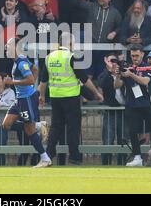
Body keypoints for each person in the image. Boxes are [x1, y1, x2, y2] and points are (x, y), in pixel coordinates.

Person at [39, 32, 104, 165]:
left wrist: (42, 96)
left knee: (56, 127)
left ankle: (49, 154)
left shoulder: (49, 57)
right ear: (70, 44)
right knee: (73, 128)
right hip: (71, 98)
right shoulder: (71, 57)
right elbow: (84, 78)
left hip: (55, 97)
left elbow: (43, 80)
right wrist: (96, 93)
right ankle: (74, 157)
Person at [3, 37, 52, 168]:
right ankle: (38, 125)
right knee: (6, 125)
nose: (5, 48)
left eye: (8, 46)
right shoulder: (20, 61)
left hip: (26, 99)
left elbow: (30, 79)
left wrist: (12, 82)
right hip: (19, 99)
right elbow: (35, 69)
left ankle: (45, 158)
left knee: (29, 131)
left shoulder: (20, 63)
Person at [114, 44, 151, 167]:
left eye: (137, 55)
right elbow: (117, 86)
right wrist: (118, 75)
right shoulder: (127, 67)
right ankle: (137, 157)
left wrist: (131, 74)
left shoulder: (147, 67)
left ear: (142, 54)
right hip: (131, 103)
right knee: (133, 131)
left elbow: (145, 81)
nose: (135, 58)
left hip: (145, 103)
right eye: (133, 55)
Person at [98, 53, 126, 165]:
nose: (113, 63)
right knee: (108, 140)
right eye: (110, 61)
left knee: (123, 141)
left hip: (124, 112)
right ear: (106, 62)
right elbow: (101, 84)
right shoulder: (104, 75)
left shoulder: (124, 74)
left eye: (115, 61)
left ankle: (123, 164)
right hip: (110, 112)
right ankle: (105, 165)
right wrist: (109, 71)